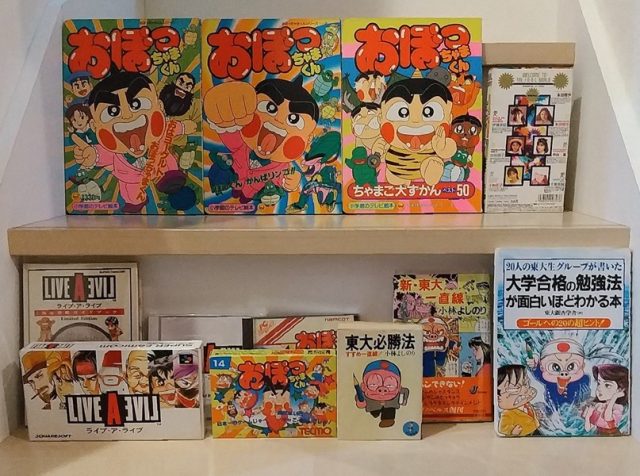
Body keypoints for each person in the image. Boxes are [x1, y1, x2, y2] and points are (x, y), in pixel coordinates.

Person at [583, 364, 629, 435]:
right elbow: (588, 429)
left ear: (620, 389)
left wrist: (614, 397)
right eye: (599, 383)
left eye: (607, 385)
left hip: (613, 436)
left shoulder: (618, 407)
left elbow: (608, 418)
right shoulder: (599, 406)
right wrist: (588, 416)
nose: (599, 388)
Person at [496, 365, 540, 436]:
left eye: (526, 384)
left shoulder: (526, 404)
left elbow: (530, 413)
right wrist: (512, 431)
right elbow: (502, 428)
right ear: (499, 396)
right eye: (516, 388)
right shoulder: (507, 413)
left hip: (534, 430)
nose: (525, 390)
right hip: (524, 434)